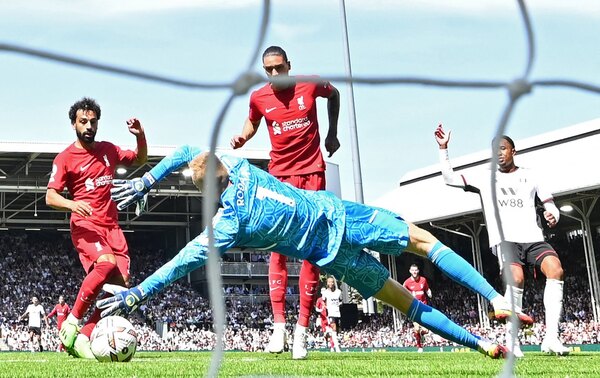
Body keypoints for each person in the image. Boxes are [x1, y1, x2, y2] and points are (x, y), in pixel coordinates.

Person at [98, 145, 536, 360]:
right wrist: (148, 180)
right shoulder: (243, 168)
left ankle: (480, 344)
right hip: (343, 216)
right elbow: (190, 151)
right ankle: (497, 301)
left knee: (404, 302)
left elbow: (180, 263)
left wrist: (137, 293)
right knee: (425, 242)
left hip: (331, 257)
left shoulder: (226, 226)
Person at [230, 45, 341, 355]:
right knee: (276, 249)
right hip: (279, 178)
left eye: (280, 68)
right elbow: (252, 121)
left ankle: (302, 331)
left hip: (312, 173)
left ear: (289, 66)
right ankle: (279, 327)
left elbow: (334, 95)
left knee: (310, 251)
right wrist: (242, 137)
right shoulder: (259, 97)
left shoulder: (311, 84)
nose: (276, 74)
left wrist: (332, 133)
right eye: (270, 70)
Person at [434, 124, 570, 357]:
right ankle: (512, 340)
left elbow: (550, 205)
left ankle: (551, 339)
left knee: (556, 270)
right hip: (505, 240)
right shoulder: (484, 178)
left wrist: (552, 215)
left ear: (513, 151)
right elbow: (449, 178)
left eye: (503, 148)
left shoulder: (531, 175)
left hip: (533, 238)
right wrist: (443, 149)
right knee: (516, 278)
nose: (498, 153)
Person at [45, 97, 148, 358]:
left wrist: (140, 136)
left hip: (112, 226)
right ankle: (72, 321)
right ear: (73, 124)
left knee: (120, 289)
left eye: (93, 121)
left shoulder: (108, 150)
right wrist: (72, 204)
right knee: (106, 263)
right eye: (83, 121)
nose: (88, 126)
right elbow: (50, 196)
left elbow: (140, 159)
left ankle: (83, 336)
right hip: (85, 224)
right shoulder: (66, 158)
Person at [403, 264, 432, 352]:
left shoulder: (423, 280)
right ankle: (419, 346)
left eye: (416, 270)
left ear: (418, 271)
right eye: (413, 270)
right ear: (410, 271)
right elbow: (402, 292)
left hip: (423, 307)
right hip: (414, 308)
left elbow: (427, 289)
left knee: (426, 331)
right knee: (416, 328)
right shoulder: (407, 282)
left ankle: (422, 334)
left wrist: (429, 293)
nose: (414, 272)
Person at [321, 276, 342, 352]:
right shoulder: (325, 293)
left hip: (337, 312)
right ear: (327, 283)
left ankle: (328, 332)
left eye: (332, 282)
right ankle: (337, 347)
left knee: (337, 330)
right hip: (331, 313)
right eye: (329, 282)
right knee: (334, 328)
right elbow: (323, 301)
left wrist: (339, 304)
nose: (331, 283)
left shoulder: (338, 292)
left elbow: (340, 301)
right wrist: (325, 306)